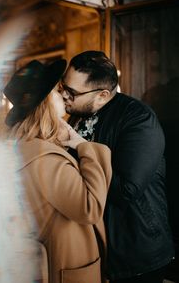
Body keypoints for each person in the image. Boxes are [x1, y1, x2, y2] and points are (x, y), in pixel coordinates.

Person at [60, 50, 175, 283]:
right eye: (63, 86)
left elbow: (126, 191)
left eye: (72, 92)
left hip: (136, 254)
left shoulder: (139, 119)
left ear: (102, 95)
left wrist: (82, 146)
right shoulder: (78, 112)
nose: (64, 96)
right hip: (97, 251)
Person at [3, 59, 112, 283]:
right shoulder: (44, 158)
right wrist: (85, 148)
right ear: (44, 104)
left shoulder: (24, 147)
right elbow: (89, 208)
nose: (64, 95)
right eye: (57, 90)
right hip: (64, 265)